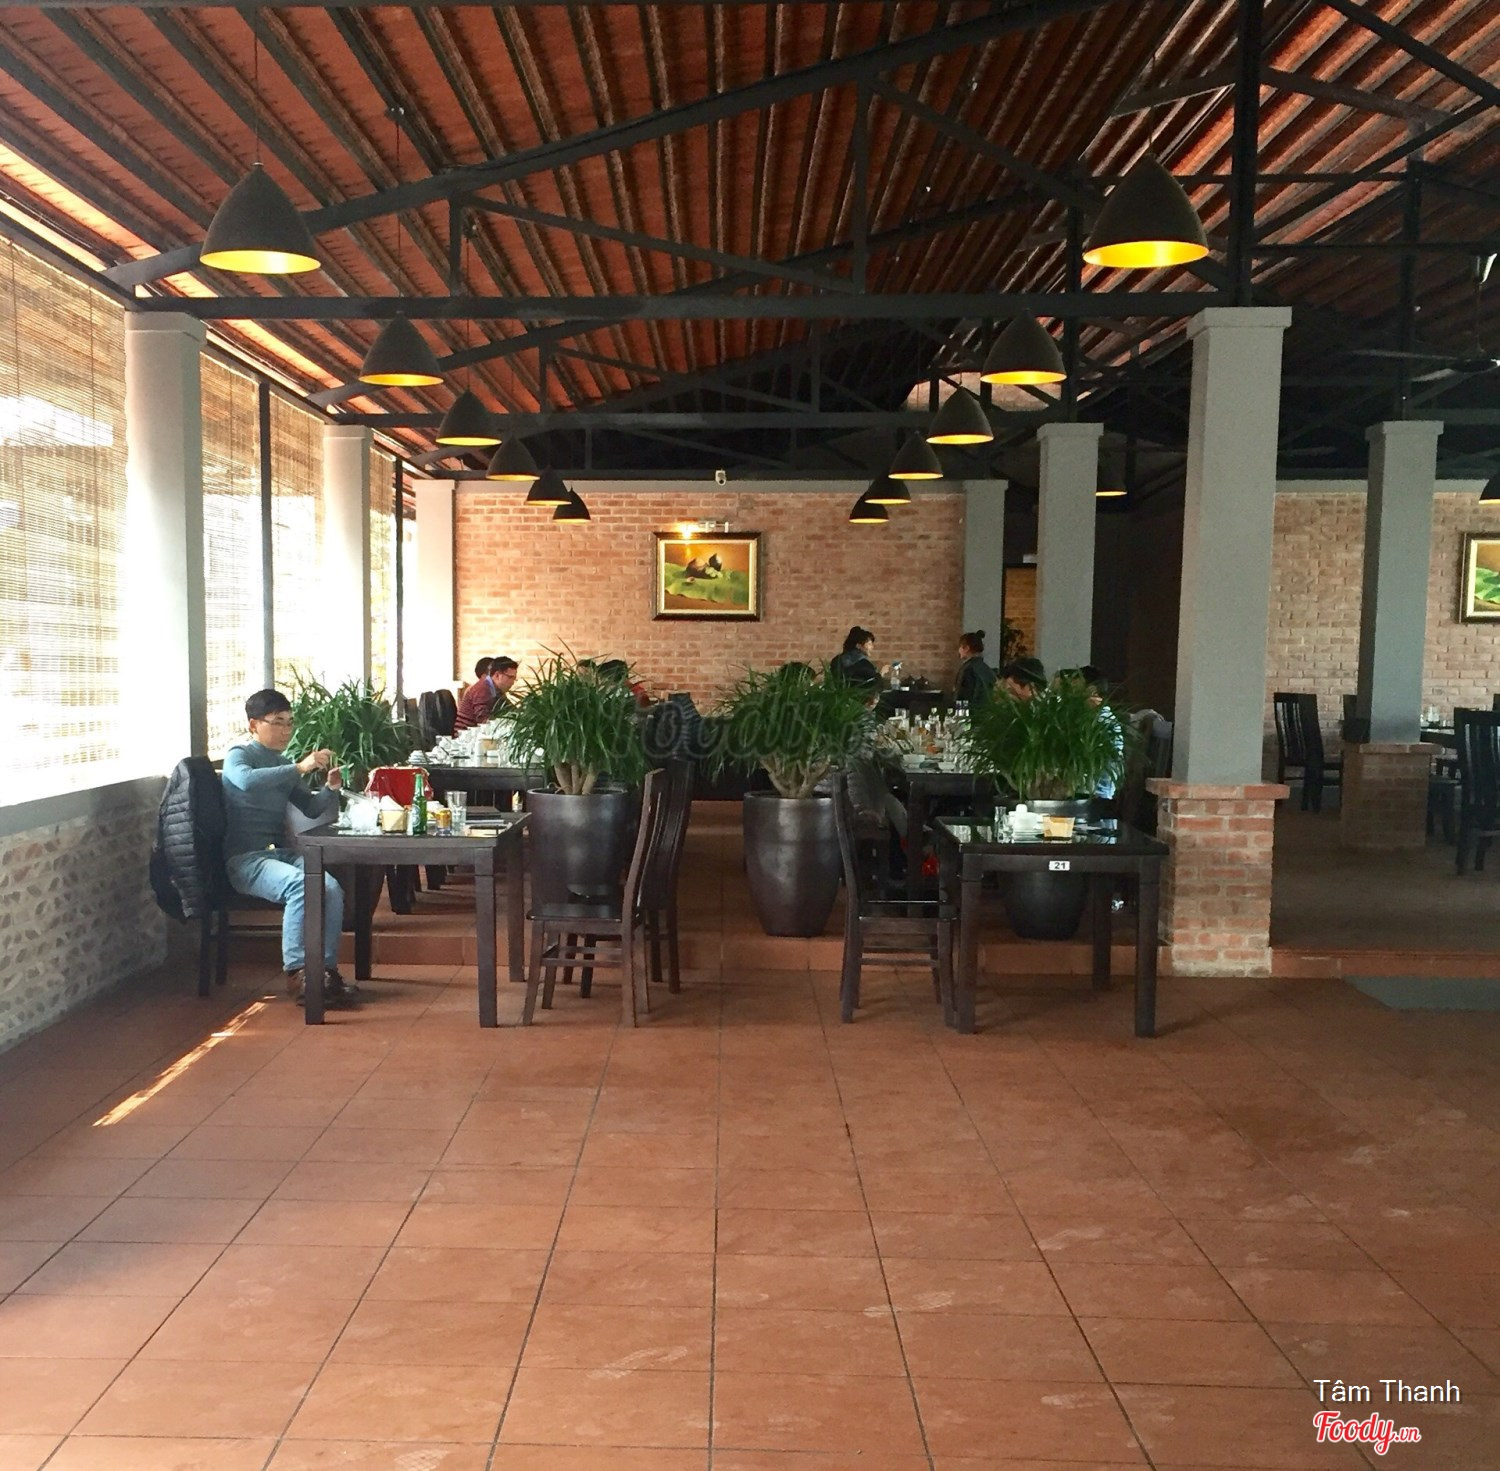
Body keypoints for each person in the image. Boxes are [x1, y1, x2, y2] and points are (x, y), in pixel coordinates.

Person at [222, 689, 350, 1006]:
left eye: (290, 723)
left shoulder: (282, 764)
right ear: (253, 725)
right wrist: (299, 768)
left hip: (279, 855)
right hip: (246, 860)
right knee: (300, 886)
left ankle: (325, 970)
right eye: (277, 722)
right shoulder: (239, 755)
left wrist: (330, 788)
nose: (286, 730)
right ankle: (298, 973)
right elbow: (246, 781)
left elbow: (311, 807)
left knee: (331, 887)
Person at [454, 656, 519, 730]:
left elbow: (510, 710)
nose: (513, 682)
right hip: (466, 733)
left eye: (514, 678)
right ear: (497, 675)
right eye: (510, 677)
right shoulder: (482, 688)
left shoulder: (495, 690)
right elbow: (482, 718)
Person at [955, 630, 997, 707]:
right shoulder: (987, 669)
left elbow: (962, 697)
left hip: (971, 711)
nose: (959, 650)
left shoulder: (967, 669)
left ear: (966, 648)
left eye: (960, 647)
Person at [834, 626, 882, 692]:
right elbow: (876, 686)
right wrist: (881, 674)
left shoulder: (837, 660)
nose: (872, 647)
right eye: (869, 644)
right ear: (859, 646)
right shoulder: (864, 665)